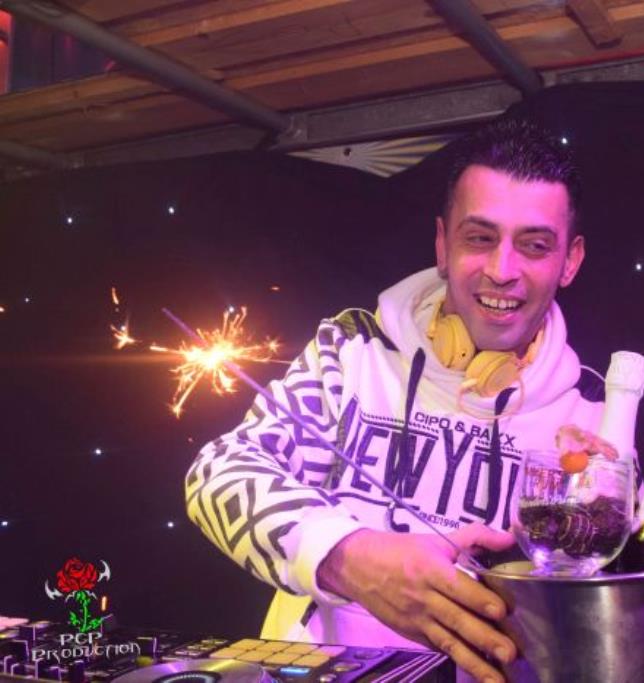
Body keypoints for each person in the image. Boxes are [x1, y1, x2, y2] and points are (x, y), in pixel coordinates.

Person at [185, 118, 605, 683]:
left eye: (534, 246)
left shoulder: (593, 414)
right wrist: (349, 558)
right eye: (480, 238)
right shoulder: (350, 350)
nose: (502, 271)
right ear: (443, 244)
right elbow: (217, 474)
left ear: (570, 261)